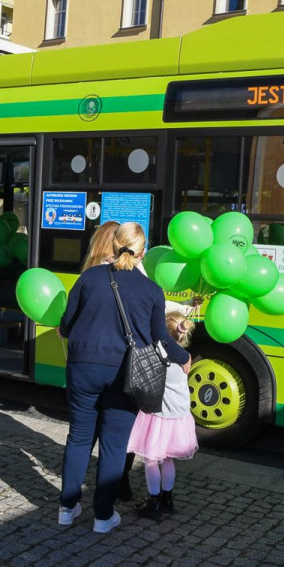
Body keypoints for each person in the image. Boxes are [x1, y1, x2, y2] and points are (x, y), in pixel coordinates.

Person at [57, 222, 191, 533]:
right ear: (143, 252)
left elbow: (66, 325)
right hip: (125, 371)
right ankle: (103, 516)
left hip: (83, 368)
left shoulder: (88, 278)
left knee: (78, 437)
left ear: (114, 245)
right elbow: (162, 339)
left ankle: (67, 507)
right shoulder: (151, 290)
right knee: (115, 446)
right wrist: (184, 358)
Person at [128, 312, 199, 520]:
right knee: (167, 459)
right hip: (179, 418)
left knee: (150, 459)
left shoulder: (162, 359)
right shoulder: (184, 359)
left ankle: (154, 501)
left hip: (159, 417)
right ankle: (168, 499)